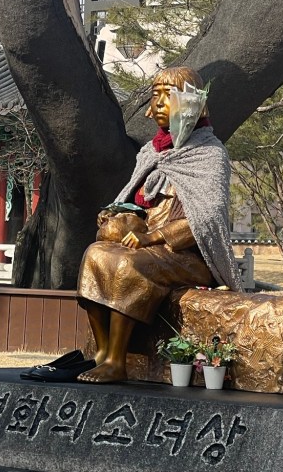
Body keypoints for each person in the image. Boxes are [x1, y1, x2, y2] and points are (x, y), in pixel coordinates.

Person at [77, 66, 243, 384]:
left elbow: (207, 219)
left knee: (127, 266)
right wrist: (115, 213)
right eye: (156, 96)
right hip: (145, 244)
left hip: (187, 254)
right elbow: (135, 201)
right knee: (95, 254)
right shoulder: (151, 152)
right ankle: (102, 352)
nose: (161, 103)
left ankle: (117, 361)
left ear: (193, 104)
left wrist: (154, 237)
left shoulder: (209, 154)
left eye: (170, 95)